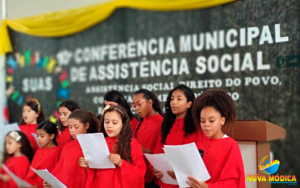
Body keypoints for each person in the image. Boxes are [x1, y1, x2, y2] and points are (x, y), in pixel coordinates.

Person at [186, 89, 245, 188]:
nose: (206, 125)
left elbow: (233, 182)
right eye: (203, 121)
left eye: (211, 120)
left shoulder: (231, 145)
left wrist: (208, 187)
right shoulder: (197, 142)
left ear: (222, 120)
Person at [80, 106, 146, 188]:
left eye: (114, 123)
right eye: (106, 122)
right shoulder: (99, 142)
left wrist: (121, 163)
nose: (109, 126)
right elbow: (94, 172)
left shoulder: (131, 142)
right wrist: (87, 165)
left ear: (123, 124)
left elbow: (140, 172)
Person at [153, 85, 200, 188]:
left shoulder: (197, 127)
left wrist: (181, 173)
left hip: (188, 184)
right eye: (172, 99)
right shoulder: (166, 125)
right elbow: (158, 153)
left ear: (189, 104)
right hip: (167, 182)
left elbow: (199, 158)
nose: (173, 102)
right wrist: (156, 170)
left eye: (179, 99)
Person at [43, 109, 99, 188]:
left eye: (76, 127)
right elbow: (61, 169)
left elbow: (98, 173)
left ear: (86, 126)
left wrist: (87, 167)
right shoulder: (67, 146)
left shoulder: (94, 145)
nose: (72, 130)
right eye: (70, 127)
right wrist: (51, 182)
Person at [132, 89, 163, 188]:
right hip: (139, 174)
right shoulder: (140, 122)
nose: (136, 108)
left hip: (154, 176)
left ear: (149, 102)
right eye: (134, 105)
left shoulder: (162, 123)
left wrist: (146, 151)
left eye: (139, 104)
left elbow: (163, 151)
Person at [25, 120, 61, 188]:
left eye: (42, 136)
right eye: (37, 135)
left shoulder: (57, 151)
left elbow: (55, 174)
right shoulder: (39, 150)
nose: (38, 139)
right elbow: (31, 171)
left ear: (51, 136)